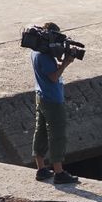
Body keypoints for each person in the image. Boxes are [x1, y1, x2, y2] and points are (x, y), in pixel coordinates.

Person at [30, 22, 80, 185]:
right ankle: (59, 172)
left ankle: (41, 169)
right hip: (52, 100)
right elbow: (53, 77)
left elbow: (50, 69)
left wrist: (65, 59)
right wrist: (65, 63)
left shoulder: (37, 52)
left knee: (41, 132)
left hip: (41, 96)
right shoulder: (44, 55)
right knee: (57, 135)